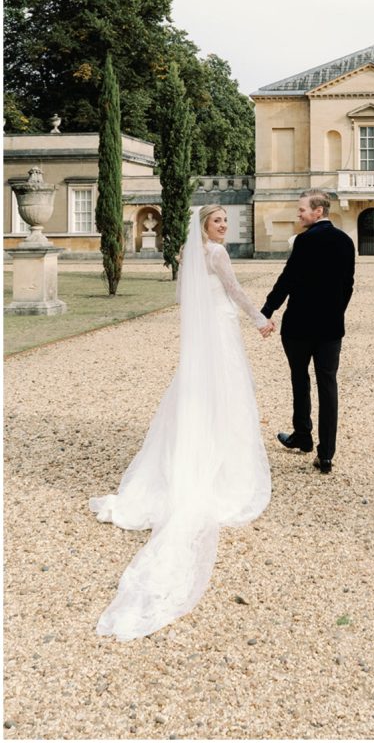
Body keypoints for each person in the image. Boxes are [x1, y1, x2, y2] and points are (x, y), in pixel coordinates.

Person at [90, 205, 272, 641]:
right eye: (218, 222)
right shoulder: (218, 255)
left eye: (226, 221)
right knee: (226, 398)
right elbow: (235, 293)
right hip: (223, 334)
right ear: (205, 227)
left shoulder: (197, 254)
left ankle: (190, 459)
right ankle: (225, 470)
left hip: (207, 339)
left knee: (199, 397)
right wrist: (261, 320)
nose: (224, 227)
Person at [261, 191, 355, 474]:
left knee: (299, 379)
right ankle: (325, 454)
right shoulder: (346, 241)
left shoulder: (304, 241)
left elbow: (287, 280)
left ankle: (303, 436)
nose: (298, 214)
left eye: (302, 210)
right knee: (328, 386)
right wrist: (336, 313)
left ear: (318, 212)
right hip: (330, 328)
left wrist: (267, 310)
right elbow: (347, 286)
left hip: (299, 326)